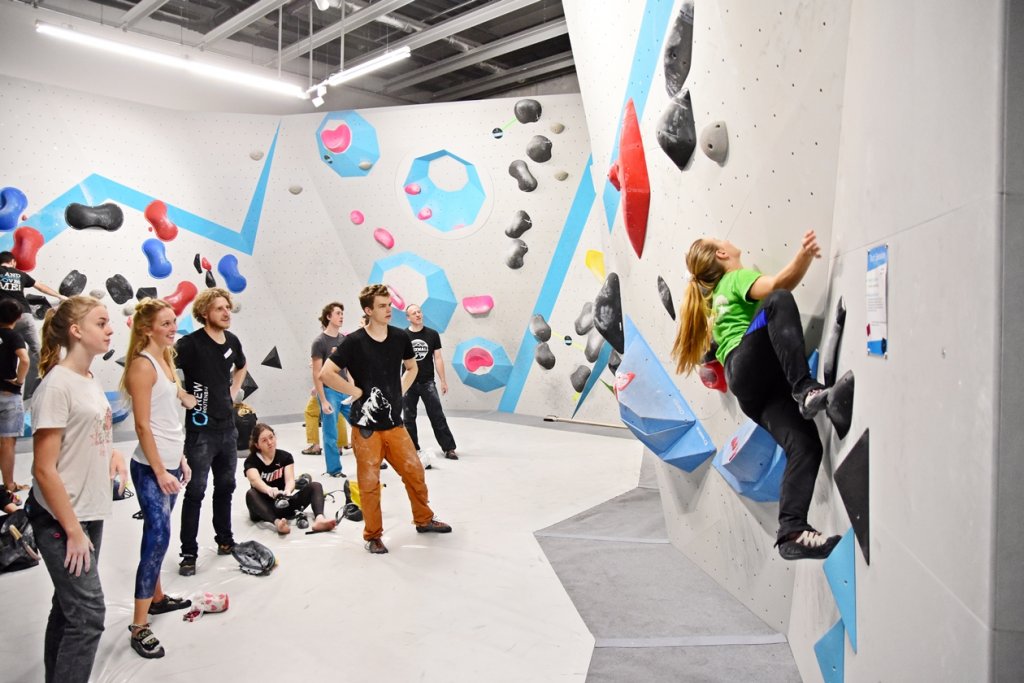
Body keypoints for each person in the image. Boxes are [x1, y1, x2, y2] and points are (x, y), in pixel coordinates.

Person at [670, 231, 839, 561]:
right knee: (777, 301)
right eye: (722, 240)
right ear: (722, 254)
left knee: (805, 445)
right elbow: (779, 284)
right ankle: (804, 388)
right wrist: (803, 255)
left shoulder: (712, 301)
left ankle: (791, 531)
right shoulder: (734, 279)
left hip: (752, 391)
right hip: (749, 366)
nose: (729, 241)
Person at [24, 296, 127, 683]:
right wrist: (73, 532)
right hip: (60, 517)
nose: (110, 329)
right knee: (88, 616)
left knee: (68, 609)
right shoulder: (55, 386)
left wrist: (113, 454)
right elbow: (44, 469)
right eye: (101, 323)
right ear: (76, 330)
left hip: (89, 509)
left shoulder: (87, 379)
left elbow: (88, 432)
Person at [320, 284, 451, 554]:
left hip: (394, 424)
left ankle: (424, 519)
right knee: (369, 485)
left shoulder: (400, 337)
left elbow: (412, 367)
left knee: (414, 472)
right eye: (382, 306)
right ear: (368, 310)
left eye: (389, 304)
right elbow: (326, 373)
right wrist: (355, 391)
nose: (389, 309)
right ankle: (373, 535)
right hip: (365, 429)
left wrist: (400, 390)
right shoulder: (354, 341)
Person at [121, 298, 195, 658]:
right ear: (146, 328)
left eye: (173, 322)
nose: (172, 328)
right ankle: (138, 626)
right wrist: (161, 469)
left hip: (169, 463)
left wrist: (179, 459)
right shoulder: (142, 366)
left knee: (159, 536)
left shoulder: (167, 359)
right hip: (150, 469)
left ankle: (159, 597)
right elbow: (142, 425)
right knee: (158, 537)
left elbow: (168, 419)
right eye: (165, 323)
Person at [175, 288, 246, 576]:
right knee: (195, 491)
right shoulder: (190, 344)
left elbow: (241, 365)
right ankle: (188, 553)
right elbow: (164, 366)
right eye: (219, 308)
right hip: (201, 431)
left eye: (227, 307)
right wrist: (181, 393)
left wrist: (233, 389)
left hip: (227, 428)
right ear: (205, 313)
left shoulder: (232, 341)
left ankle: (225, 540)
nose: (226, 312)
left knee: (226, 487)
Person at [244, 423, 336, 535]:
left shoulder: (285, 457)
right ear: (257, 445)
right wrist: (269, 490)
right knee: (251, 494)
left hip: (283, 503)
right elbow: (255, 480)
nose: (269, 442)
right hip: (264, 507)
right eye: (264, 440)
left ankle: (320, 519)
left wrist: (287, 491)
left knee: (315, 486)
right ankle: (277, 523)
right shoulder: (251, 461)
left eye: (271, 437)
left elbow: (290, 480)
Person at [0, 251, 66, 401]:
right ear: (13, 262)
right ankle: (29, 392)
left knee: (6, 351)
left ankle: (5, 387)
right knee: (36, 350)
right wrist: (59, 296)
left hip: (3, 320)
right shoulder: (19, 274)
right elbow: (40, 287)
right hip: (24, 316)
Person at [403, 304, 457, 460]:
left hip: (427, 382)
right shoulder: (403, 336)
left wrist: (443, 381)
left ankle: (449, 448)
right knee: (408, 418)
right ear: (408, 318)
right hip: (409, 383)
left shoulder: (432, 334)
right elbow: (398, 360)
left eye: (419, 311)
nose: (418, 315)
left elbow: (438, 358)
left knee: (437, 415)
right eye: (414, 313)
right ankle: (412, 449)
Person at [310, 302, 351, 476]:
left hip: (346, 391)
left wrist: (353, 389)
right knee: (330, 433)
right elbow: (317, 373)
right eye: (338, 313)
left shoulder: (344, 340)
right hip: (329, 391)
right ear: (328, 317)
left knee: (363, 425)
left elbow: (348, 368)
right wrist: (323, 399)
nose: (341, 316)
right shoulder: (319, 342)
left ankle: (372, 462)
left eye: (342, 313)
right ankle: (334, 470)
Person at [0, 298, 29, 495]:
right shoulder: (14, 336)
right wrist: (18, 381)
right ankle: (9, 485)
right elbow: (25, 360)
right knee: (7, 443)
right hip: (8, 394)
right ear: (18, 318)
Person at [301, 388, 348, 456]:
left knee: (310, 413)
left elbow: (324, 376)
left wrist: (316, 387)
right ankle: (338, 447)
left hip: (326, 387)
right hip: (340, 387)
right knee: (338, 413)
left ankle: (315, 447)